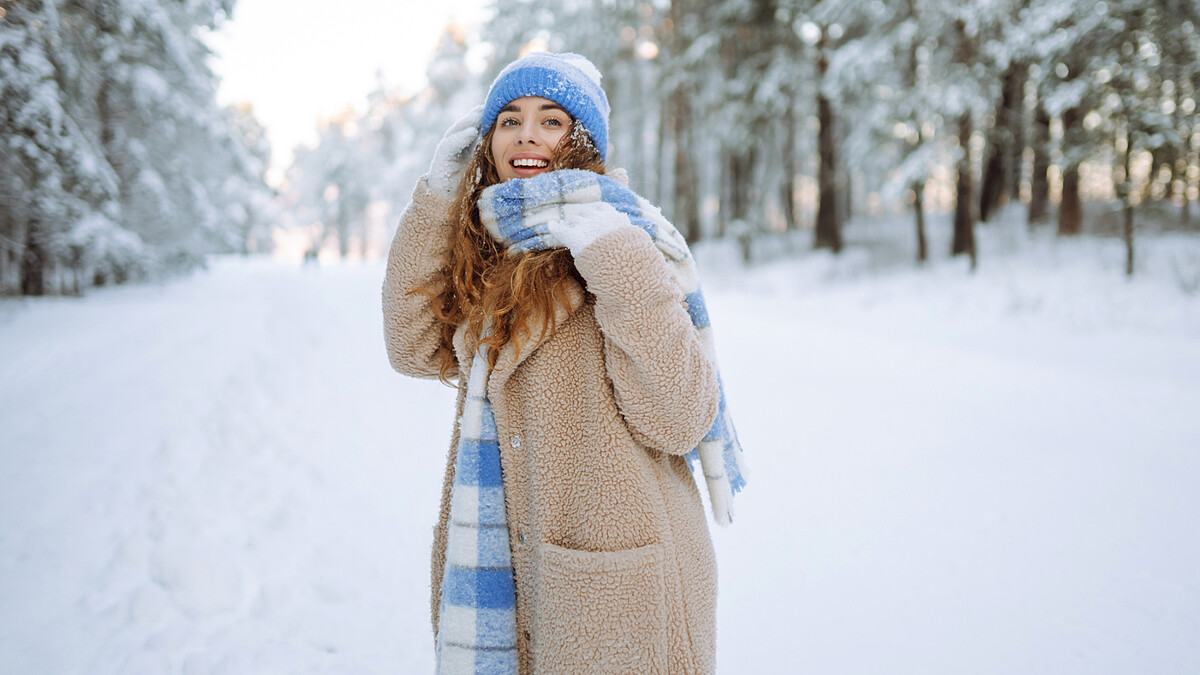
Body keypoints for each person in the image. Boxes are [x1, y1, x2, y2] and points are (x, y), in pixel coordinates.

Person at [383, 52, 745, 675]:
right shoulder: (490, 253)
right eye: (510, 120)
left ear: (582, 142)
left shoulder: (627, 240)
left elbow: (682, 417)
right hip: (521, 569)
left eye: (552, 121)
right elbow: (411, 346)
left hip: (619, 586)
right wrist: (438, 203)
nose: (527, 134)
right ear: (487, 143)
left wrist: (613, 256)